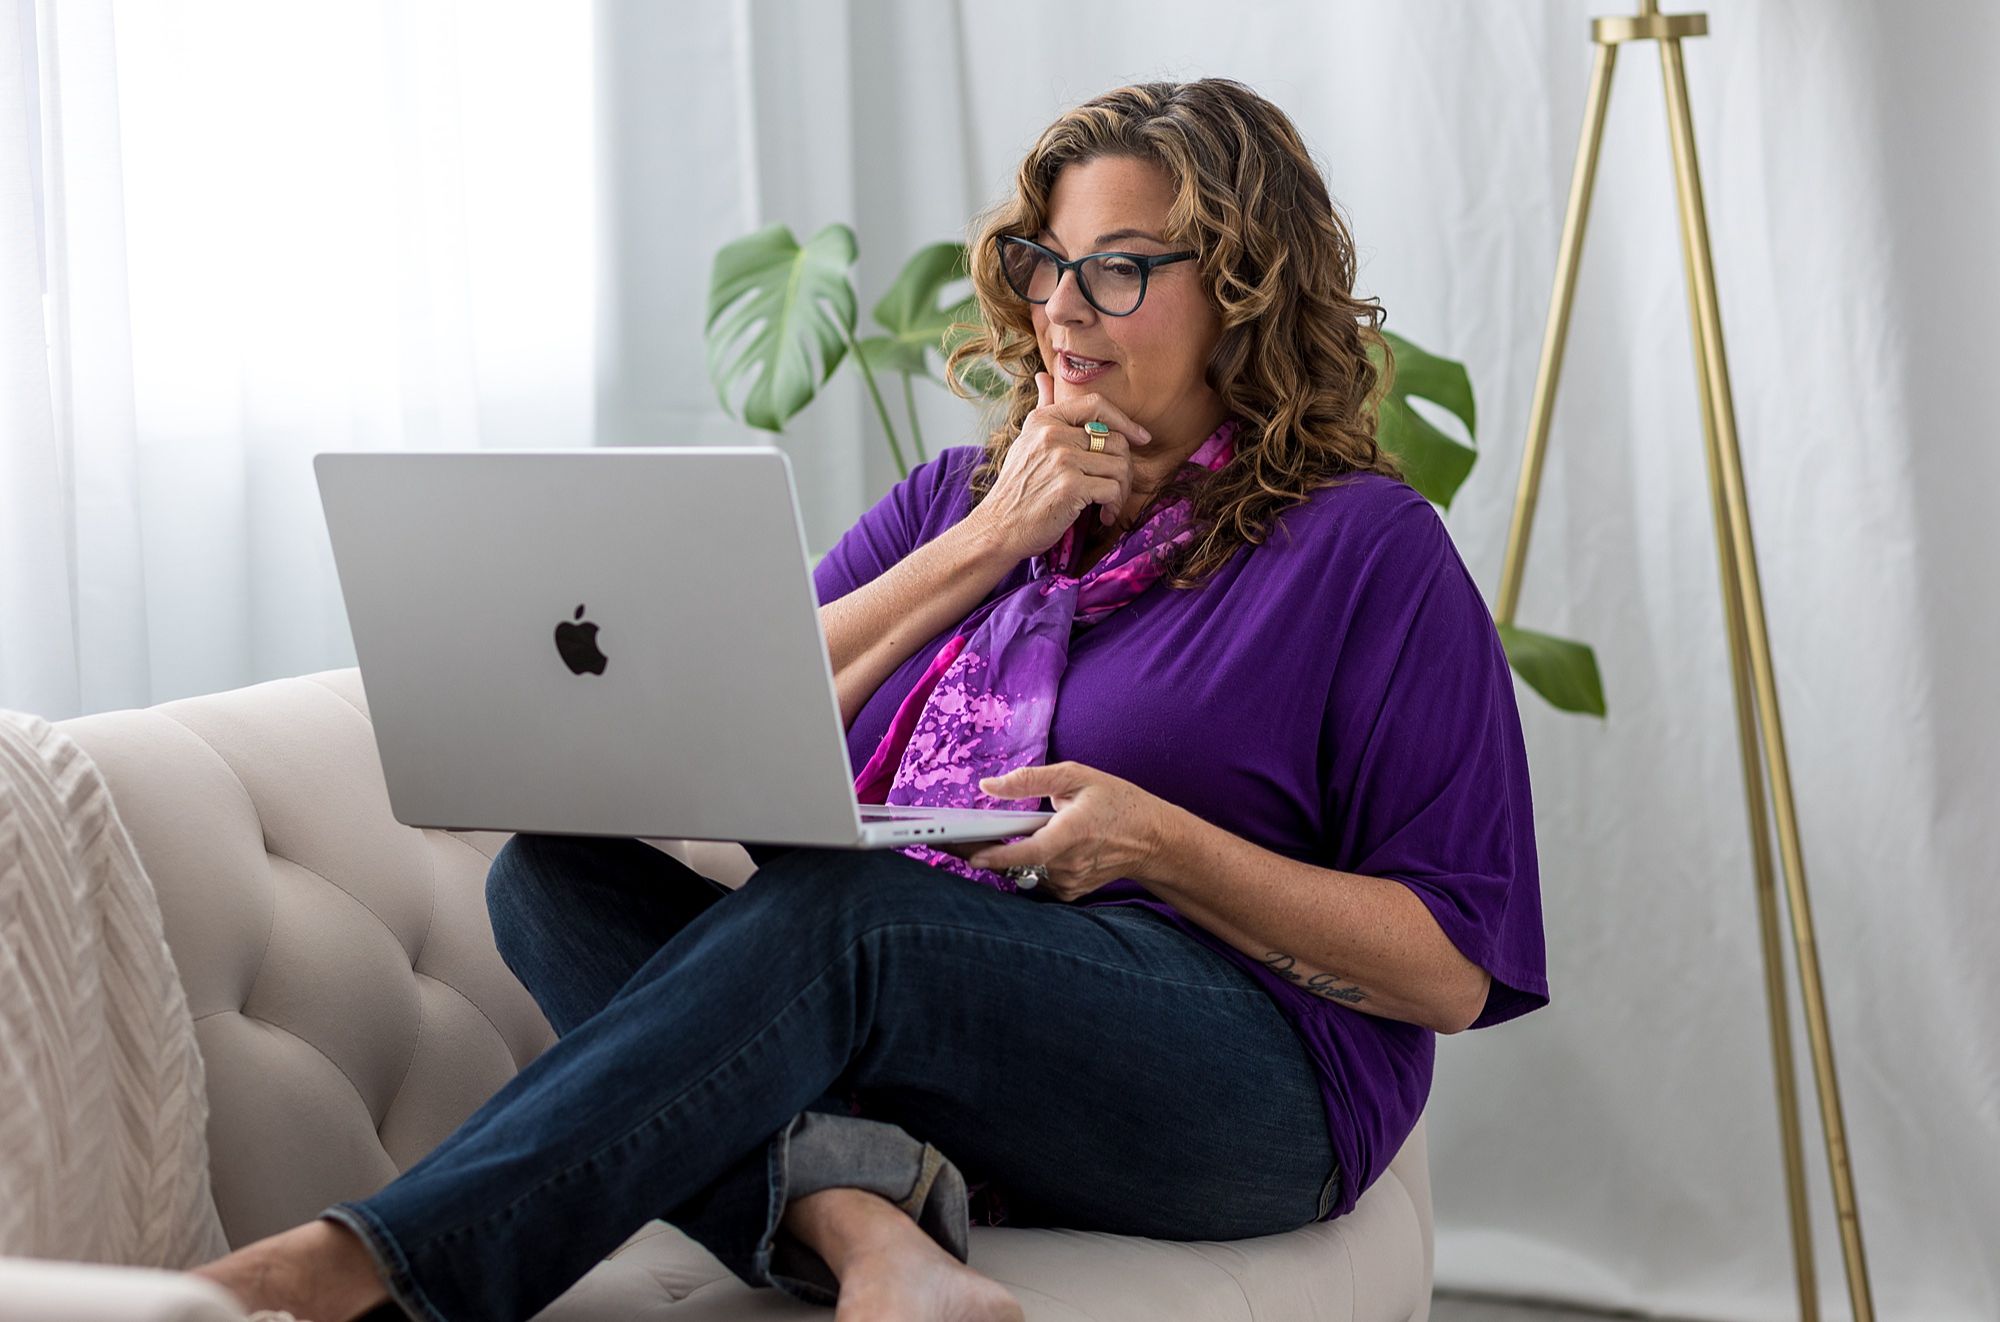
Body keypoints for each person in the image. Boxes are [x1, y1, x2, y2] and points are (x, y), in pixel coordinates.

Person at [193, 76, 1548, 1322]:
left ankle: (361, 1268)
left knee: (861, 916)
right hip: (943, 1033)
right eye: (1048, 264)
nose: (1064, 308)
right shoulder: (957, 506)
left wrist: (1163, 846)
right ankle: (869, 1233)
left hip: (1249, 1088)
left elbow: (1446, 967)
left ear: (1244, 295)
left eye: (1121, 269)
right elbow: (734, 714)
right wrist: (992, 541)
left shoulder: (1365, 549)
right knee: (551, 885)